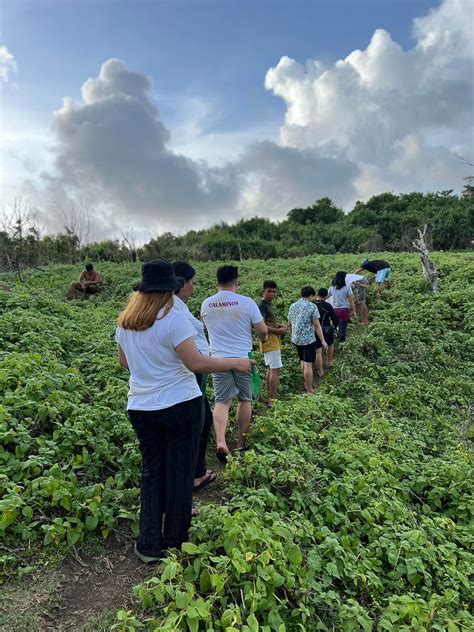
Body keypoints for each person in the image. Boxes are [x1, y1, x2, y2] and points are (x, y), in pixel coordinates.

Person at [116, 260, 253, 563]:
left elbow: (125, 363)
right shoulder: (172, 318)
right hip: (180, 405)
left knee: (152, 472)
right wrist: (235, 362)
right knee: (179, 471)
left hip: (140, 407)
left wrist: (151, 366)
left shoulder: (125, 322)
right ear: (168, 289)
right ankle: (176, 541)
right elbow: (197, 363)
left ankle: (149, 544)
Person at [201, 266, 268, 462]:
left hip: (218, 360)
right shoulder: (246, 302)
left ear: (217, 282)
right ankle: (240, 442)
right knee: (244, 399)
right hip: (243, 359)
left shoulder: (206, 304)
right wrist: (262, 339)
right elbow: (262, 330)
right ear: (236, 282)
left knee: (222, 401)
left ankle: (221, 441)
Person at [172, 261, 216, 492]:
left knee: (204, 419)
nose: (194, 288)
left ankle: (197, 472)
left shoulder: (177, 306)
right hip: (192, 374)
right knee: (195, 424)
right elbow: (193, 357)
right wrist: (232, 363)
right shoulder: (174, 310)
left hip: (194, 374)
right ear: (182, 284)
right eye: (193, 283)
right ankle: (190, 478)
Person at [287, 286, 327, 394]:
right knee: (308, 363)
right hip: (308, 340)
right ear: (311, 296)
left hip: (296, 339)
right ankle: (310, 389)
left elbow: (290, 324)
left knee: (302, 361)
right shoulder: (312, 306)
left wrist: (292, 336)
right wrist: (323, 341)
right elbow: (317, 325)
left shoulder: (293, 306)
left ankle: (306, 382)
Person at [258, 280, 287, 407]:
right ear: (263, 291)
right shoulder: (262, 306)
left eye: (274, 291)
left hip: (271, 340)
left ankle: (269, 396)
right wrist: (278, 330)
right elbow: (261, 325)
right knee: (275, 369)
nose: (272, 294)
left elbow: (268, 323)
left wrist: (278, 326)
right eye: (269, 291)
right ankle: (272, 399)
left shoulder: (268, 305)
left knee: (271, 368)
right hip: (269, 341)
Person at [328, 272, 356, 345]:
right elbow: (351, 300)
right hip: (344, 310)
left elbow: (325, 296)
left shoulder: (332, 288)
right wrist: (353, 310)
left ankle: (334, 338)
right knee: (343, 326)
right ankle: (341, 342)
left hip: (334, 310)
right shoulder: (347, 287)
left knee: (335, 324)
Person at [315, 288, 339, 370]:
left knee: (318, 350)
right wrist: (336, 327)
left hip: (314, 330)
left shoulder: (312, 304)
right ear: (326, 296)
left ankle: (319, 368)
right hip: (326, 328)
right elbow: (334, 318)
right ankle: (329, 362)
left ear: (317, 294)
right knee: (330, 345)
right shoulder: (328, 305)